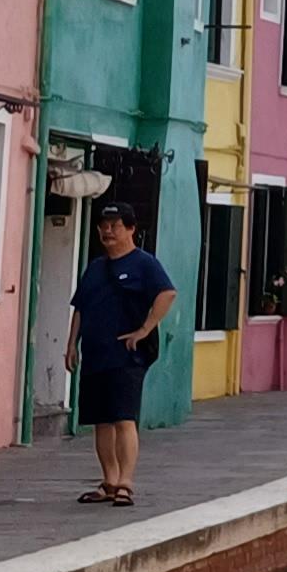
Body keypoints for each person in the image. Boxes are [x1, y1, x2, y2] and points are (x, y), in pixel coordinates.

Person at [67, 200, 175, 506]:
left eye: (115, 226)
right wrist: (71, 344)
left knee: (124, 418)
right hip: (95, 354)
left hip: (126, 355)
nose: (108, 231)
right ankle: (109, 481)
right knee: (101, 421)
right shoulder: (95, 268)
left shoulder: (144, 264)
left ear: (131, 229)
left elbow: (167, 293)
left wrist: (145, 329)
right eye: (103, 226)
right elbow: (80, 308)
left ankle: (126, 482)